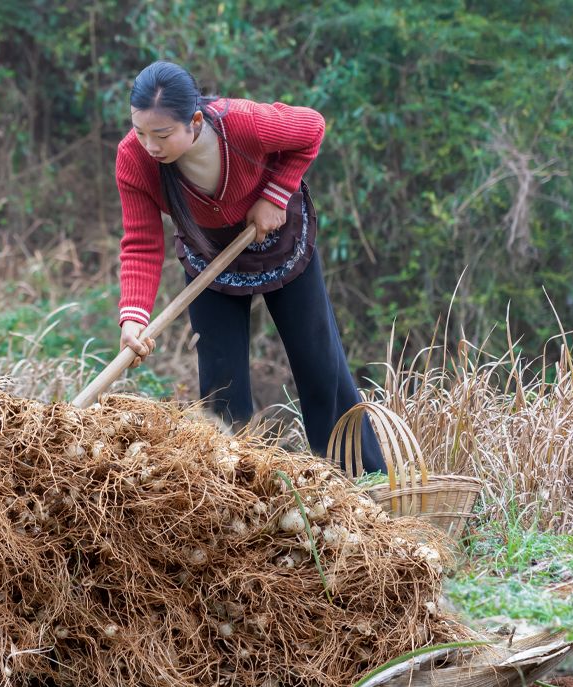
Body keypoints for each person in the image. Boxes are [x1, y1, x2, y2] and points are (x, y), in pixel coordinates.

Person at [115, 60, 386, 473]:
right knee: (221, 387)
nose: (151, 145)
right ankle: (235, 494)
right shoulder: (134, 159)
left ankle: (366, 485)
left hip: (279, 242)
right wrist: (133, 318)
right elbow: (141, 242)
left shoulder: (244, 123)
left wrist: (276, 195)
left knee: (320, 365)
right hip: (209, 259)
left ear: (196, 120)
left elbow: (311, 127)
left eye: (163, 135)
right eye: (140, 131)